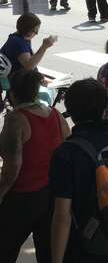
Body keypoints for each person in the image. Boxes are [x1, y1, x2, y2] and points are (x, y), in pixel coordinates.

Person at [49, 78, 108, 263]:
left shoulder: (66, 153)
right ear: (104, 108)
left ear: (71, 111)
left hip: (80, 248)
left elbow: (62, 216)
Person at [0, 69, 70, 263]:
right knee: (47, 251)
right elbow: (67, 147)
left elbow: (12, 167)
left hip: (22, 197)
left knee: (4, 248)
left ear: (13, 93)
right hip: (49, 195)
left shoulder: (16, 119)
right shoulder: (55, 114)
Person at [0, 14, 55, 81]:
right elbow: (29, 67)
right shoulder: (18, 42)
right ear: (29, 31)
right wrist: (44, 47)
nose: (36, 34)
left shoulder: (17, 38)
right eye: (35, 31)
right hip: (19, 83)